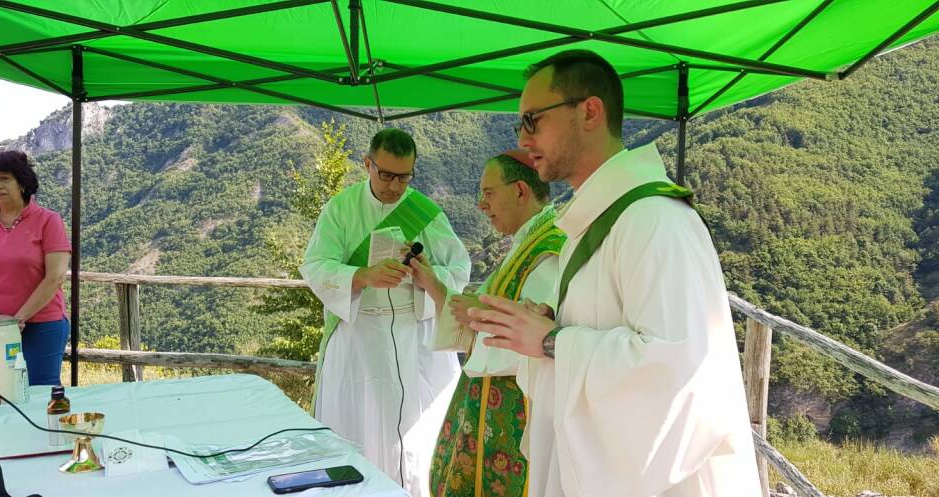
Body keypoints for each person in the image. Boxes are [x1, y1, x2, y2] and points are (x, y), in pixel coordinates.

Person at [467, 50, 761, 497]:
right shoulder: (601, 218)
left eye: (533, 120)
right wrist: (550, 325)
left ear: (589, 112)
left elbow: (676, 370)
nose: (524, 140)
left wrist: (550, 341)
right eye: (519, 125)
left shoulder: (655, 221)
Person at [300, 128, 471, 496]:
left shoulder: (426, 212)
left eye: (404, 177)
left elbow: (459, 269)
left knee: (419, 438)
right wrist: (362, 275)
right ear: (367, 165)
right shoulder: (341, 209)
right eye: (387, 175)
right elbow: (315, 265)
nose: (395, 186)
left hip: (416, 339)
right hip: (360, 339)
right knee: (360, 431)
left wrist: (428, 276)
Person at [409, 150, 565, 497]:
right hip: (488, 401)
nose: (481, 204)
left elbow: (539, 342)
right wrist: (434, 284)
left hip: (517, 410)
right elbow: (485, 312)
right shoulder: (528, 242)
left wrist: (476, 319)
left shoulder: (549, 250)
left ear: (521, 191)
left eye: (489, 193)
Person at [0, 150, 71, 386]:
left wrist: (19, 319)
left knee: (42, 390)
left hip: (43, 324)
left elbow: (55, 277)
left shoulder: (48, 220)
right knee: (7, 389)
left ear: (21, 183)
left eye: (4, 178)